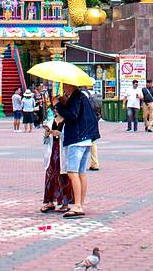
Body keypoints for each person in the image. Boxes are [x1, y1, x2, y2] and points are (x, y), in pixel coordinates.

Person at [55, 83, 100, 218]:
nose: (64, 89)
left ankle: (78, 205)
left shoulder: (76, 97)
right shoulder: (83, 97)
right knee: (81, 173)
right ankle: (80, 203)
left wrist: (58, 105)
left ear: (71, 85)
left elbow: (72, 115)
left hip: (77, 139)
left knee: (72, 172)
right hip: (86, 139)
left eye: (65, 86)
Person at [40, 112, 75, 214]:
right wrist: (47, 135)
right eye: (54, 108)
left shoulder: (67, 121)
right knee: (50, 176)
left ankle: (65, 203)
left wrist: (59, 134)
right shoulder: (50, 122)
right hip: (52, 152)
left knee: (63, 176)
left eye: (58, 107)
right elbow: (45, 141)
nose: (56, 110)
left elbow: (70, 136)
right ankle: (50, 202)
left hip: (63, 152)